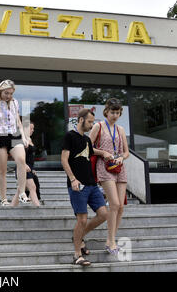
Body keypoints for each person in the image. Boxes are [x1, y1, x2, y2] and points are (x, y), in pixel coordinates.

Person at [61, 108, 108, 267]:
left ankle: (79, 237)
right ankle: (77, 255)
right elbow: (64, 160)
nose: (91, 124)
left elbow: (90, 151)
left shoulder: (87, 139)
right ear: (81, 120)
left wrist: (103, 153)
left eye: (93, 122)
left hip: (92, 184)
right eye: (89, 122)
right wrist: (73, 179)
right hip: (78, 185)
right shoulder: (69, 136)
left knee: (103, 214)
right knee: (81, 219)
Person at [89, 98, 129, 255]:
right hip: (104, 167)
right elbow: (88, 147)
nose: (115, 115)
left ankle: (111, 239)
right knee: (114, 204)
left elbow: (126, 152)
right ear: (106, 112)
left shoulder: (120, 129)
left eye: (118, 112)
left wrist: (121, 157)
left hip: (118, 167)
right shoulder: (98, 126)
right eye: (113, 112)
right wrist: (102, 152)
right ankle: (111, 241)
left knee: (120, 207)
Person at [0, 79, 30, 207]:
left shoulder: (14, 102)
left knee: (21, 159)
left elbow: (18, 122)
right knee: (2, 169)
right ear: (0, 91)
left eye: (11, 93)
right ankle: (4, 199)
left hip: (14, 134)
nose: (9, 96)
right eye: (6, 93)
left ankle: (22, 192)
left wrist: (24, 137)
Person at [17, 121, 41, 206]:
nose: (32, 130)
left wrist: (33, 168)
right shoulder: (20, 139)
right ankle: (38, 207)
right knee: (32, 187)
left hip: (30, 167)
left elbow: (31, 156)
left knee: (20, 190)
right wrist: (24, 164)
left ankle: (12, 206)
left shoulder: (30, 139)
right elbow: (18, 156)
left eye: (33, 128)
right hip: (23, 167)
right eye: (31, 128)